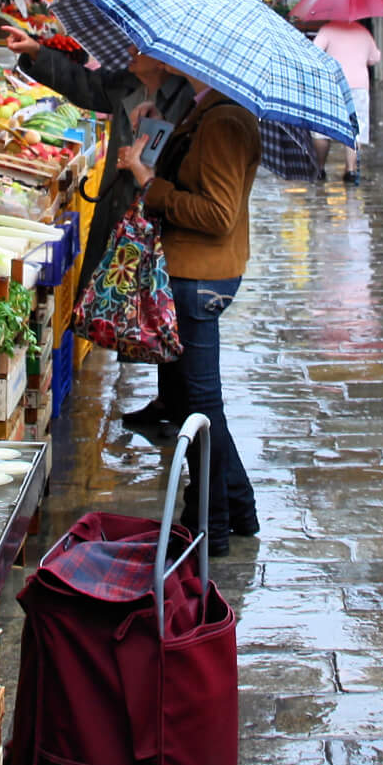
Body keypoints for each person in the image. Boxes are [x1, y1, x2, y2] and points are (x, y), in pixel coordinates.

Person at [3, 26, 193, 434]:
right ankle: (168, 398)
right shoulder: (126, 83)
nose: (129, 51)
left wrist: (143, 166)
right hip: (126, 211)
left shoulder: (188, 100)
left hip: (165, 214)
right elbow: (83, 84)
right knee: (149, 301)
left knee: (168, 305)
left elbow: (187, 166)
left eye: (138, 47)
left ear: (161, 58)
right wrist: (37, 51)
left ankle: (180, 404)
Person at [116, 70, 262, 556]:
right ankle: (238, 508)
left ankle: (210, 528)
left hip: (200, 278)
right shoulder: (211, 110)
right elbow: (193, 171)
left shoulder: (225, 121)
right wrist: (161, 130)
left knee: (200, 406)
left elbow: (217, 214)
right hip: (194, 273)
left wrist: (148, 184)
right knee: (190, 401)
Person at [309, 19, 376, 182]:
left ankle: (319, 169)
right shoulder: (363, 32)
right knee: (355, 128)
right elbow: (374, 58)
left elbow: (313, 53)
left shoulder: (327, 30)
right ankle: (351, 170)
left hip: (332, 84)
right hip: (358, 86)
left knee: (322, 129)